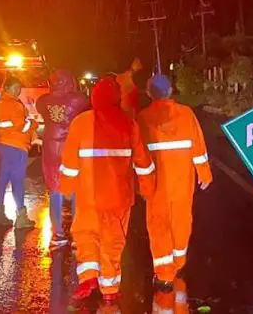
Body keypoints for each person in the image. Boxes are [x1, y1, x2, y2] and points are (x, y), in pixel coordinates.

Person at [60, 76, 156, 304]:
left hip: (89, 195)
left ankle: (89, 277)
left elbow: (69, 162)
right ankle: (110, 291)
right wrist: (148, 189)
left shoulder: (81, 123)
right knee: (113, 242)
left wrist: (65, 187)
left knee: (86, 235)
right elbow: (143, 162)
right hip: (119, 196)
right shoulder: (128, 123)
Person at [137, 74, 212, 290]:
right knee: (181, 221)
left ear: (149, 93)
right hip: (182, 182)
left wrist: (137, 184)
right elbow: (198, 146)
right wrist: (204, 173)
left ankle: (164, 274)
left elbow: (138, 154)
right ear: (170, 91)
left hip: (156, 184)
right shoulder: (186, 114)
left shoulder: (143, 118)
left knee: (158, 225)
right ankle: (178, 262)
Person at [36, 69, 90, 249]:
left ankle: (57, 235)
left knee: (55, 189)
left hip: (51, 146)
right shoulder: (78, 100)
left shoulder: (43, 101)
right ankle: (77, 235)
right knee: (75, 189)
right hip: (70, 146)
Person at [0, 76, 38, 229]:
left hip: (2, 144)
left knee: (2, 179)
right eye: (16, 88)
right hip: (17, 146)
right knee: (18, 180)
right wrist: (33, 124)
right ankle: (21, 217)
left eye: (19, 88)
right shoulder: (15, 105)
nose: (18, 91)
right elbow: (21, 126)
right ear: (7, 88)